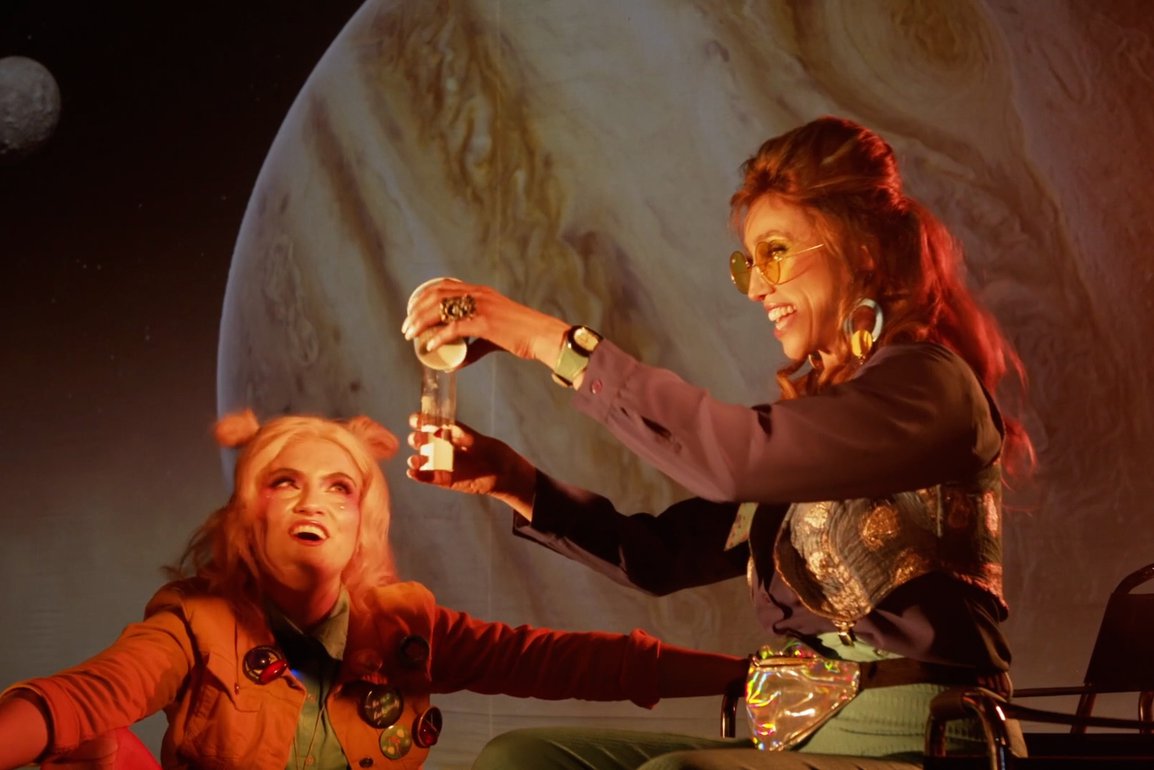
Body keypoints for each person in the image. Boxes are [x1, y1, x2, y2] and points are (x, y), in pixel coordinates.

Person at [400, 115, 1034, 769]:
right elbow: (662, 556)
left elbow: (733, 461)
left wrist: (547, 340)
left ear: (863, 249)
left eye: (775, 253)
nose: (757, 287)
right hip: (802, 742)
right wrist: (512, 480)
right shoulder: (820, 426)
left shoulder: (932, 386)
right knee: (525, 758)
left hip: (920, 742)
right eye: (748, 264)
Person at [0, 410, 750, 770]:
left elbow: (566, 662)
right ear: (246, 516)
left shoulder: (401, 626)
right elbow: (87, 696)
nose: (313, 503)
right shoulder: (196, 621)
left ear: (365, 523)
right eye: (283, 483)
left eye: (340, 487)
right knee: (95, 749)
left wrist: (746, 675)